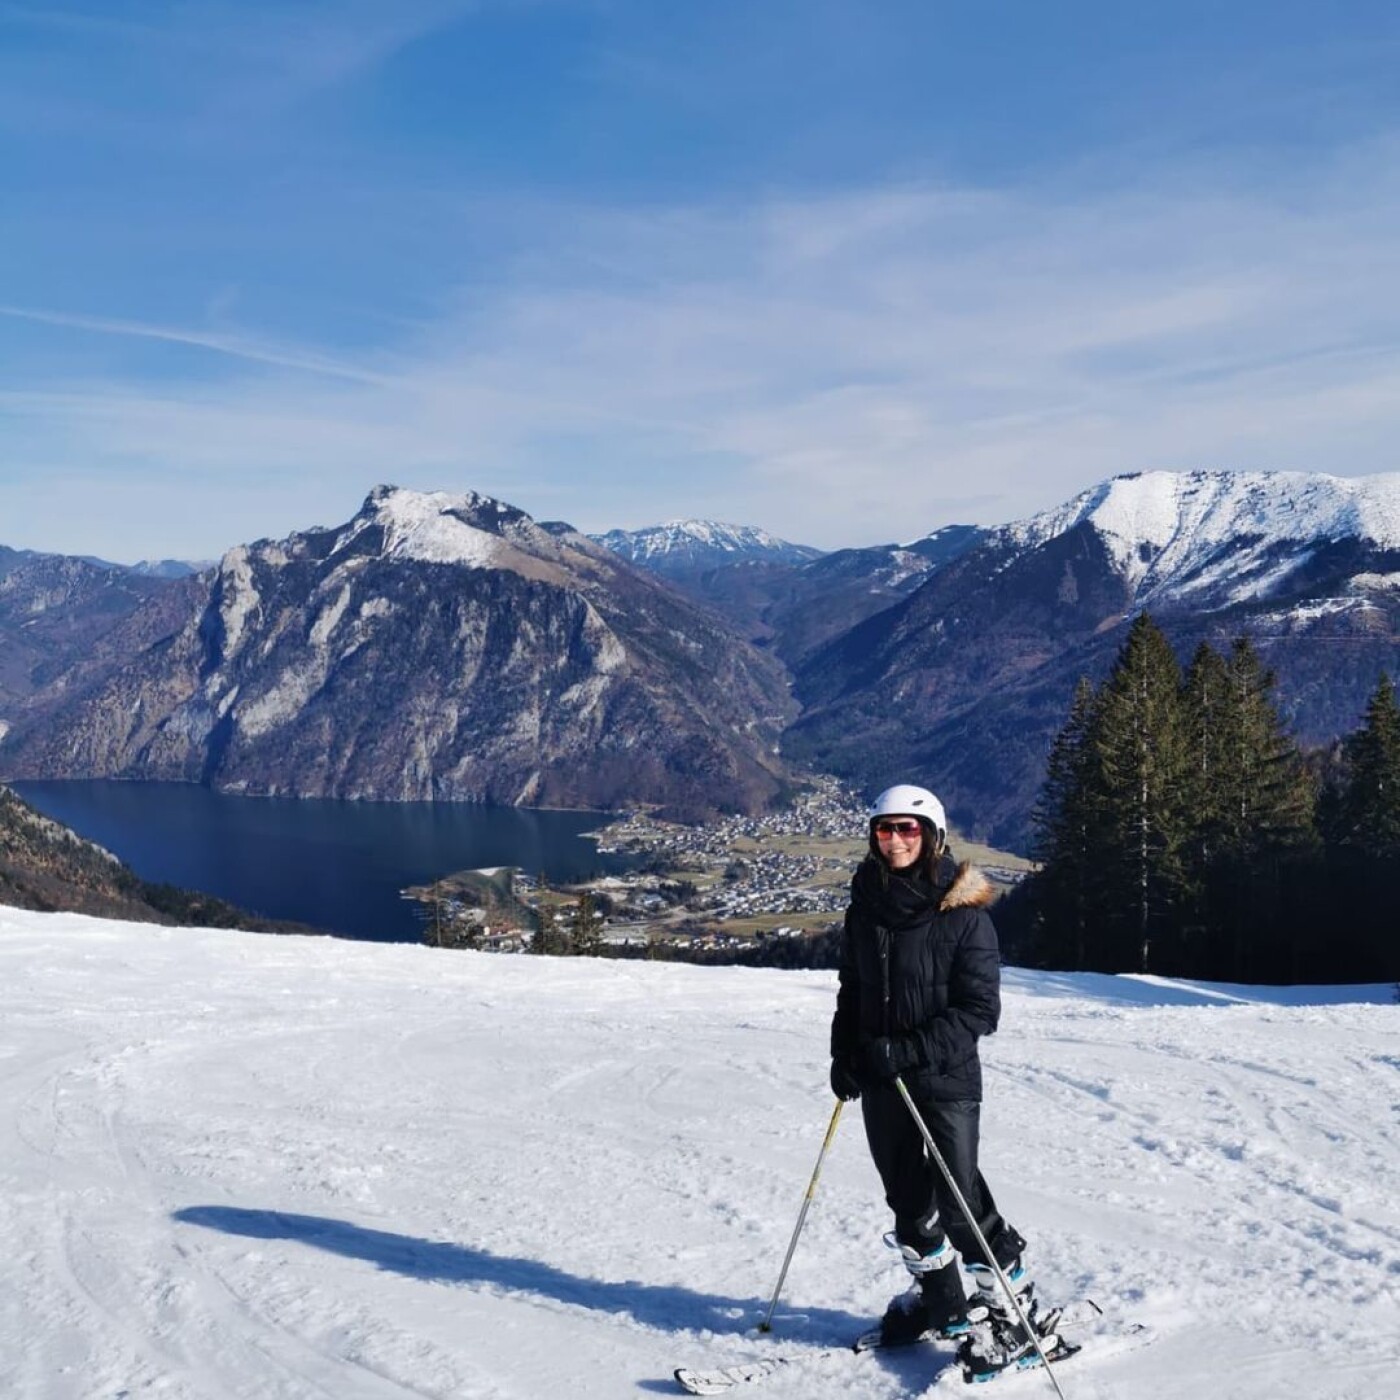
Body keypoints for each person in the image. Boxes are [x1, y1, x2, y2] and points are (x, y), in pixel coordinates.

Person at [829, 783, 1051, 1381]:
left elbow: (980, 1011)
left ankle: (1014, 1314)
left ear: (932, 837)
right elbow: (853, 989)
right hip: (881, 1078)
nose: (895, 839)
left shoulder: (963, 915)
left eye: (908, 829)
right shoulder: (865, 908)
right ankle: (943, 1302)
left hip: (944, 1077)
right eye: (885, 828)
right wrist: (844, 1053)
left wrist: (907, 1050)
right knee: (906, 1195)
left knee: (960, 1201)